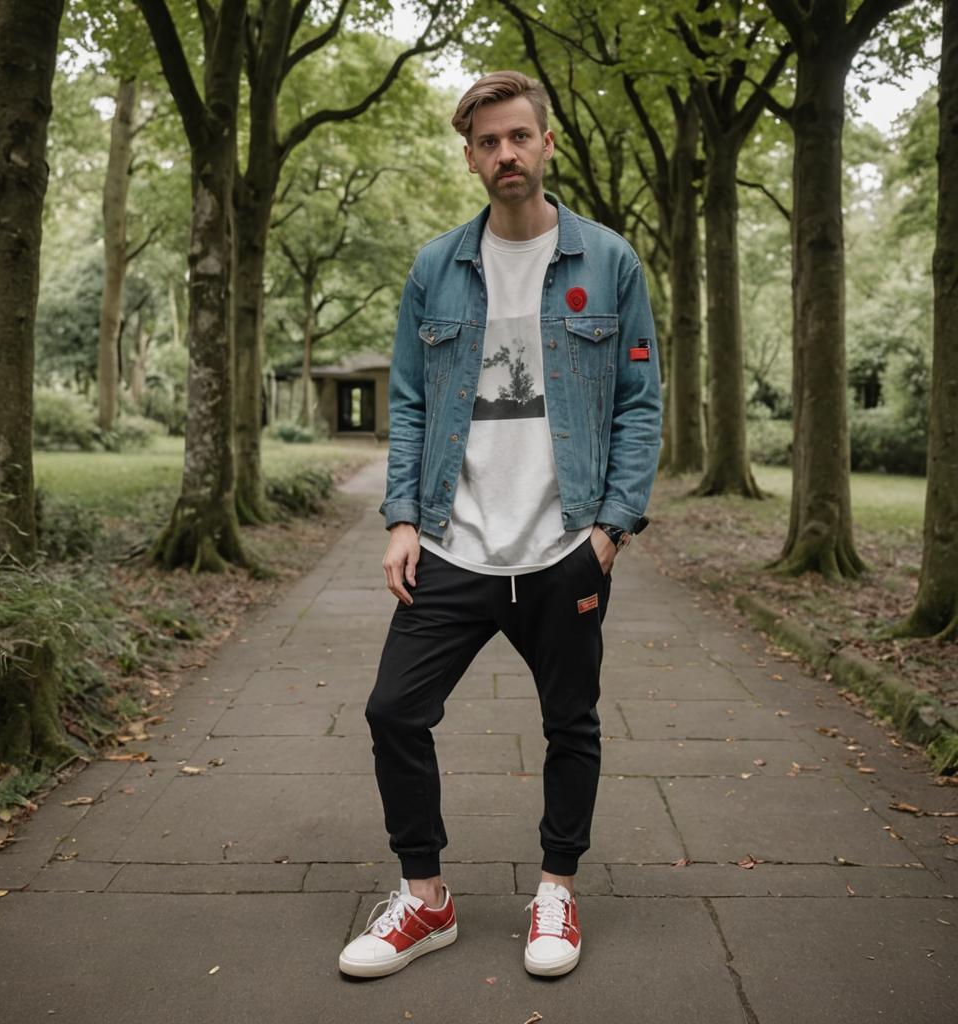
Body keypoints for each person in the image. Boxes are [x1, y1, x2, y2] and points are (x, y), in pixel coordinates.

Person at [338, 70, 662, 980]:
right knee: (394, 709)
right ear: (471, 153)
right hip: (453, 540)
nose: (505, 154)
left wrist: (611, 533)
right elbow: (406, 402)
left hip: (566, 546)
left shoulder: (609, 262)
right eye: (487, 142)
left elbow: (640, 404)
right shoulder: (436, 267)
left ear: (547, 143)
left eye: (519, 137)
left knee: (571, 721)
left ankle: (555, 888)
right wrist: (402, 518)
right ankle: (426, 901)